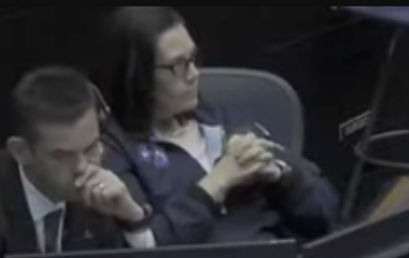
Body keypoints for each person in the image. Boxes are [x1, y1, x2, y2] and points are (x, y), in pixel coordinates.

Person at [94, 6, 339, 245]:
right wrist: (216, 184)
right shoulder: (115, 149)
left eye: (193, 58)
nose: (193, 74)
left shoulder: (224, 116)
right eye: (177, 66)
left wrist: (285, 178)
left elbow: (326, 215)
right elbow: (147, 255)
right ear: (135, 76)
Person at [0, 67, 156, 256]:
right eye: (62, 156)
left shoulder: (104, 188)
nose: (83, 167)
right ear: (21, 151)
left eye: (91, 147)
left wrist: (132, 220)